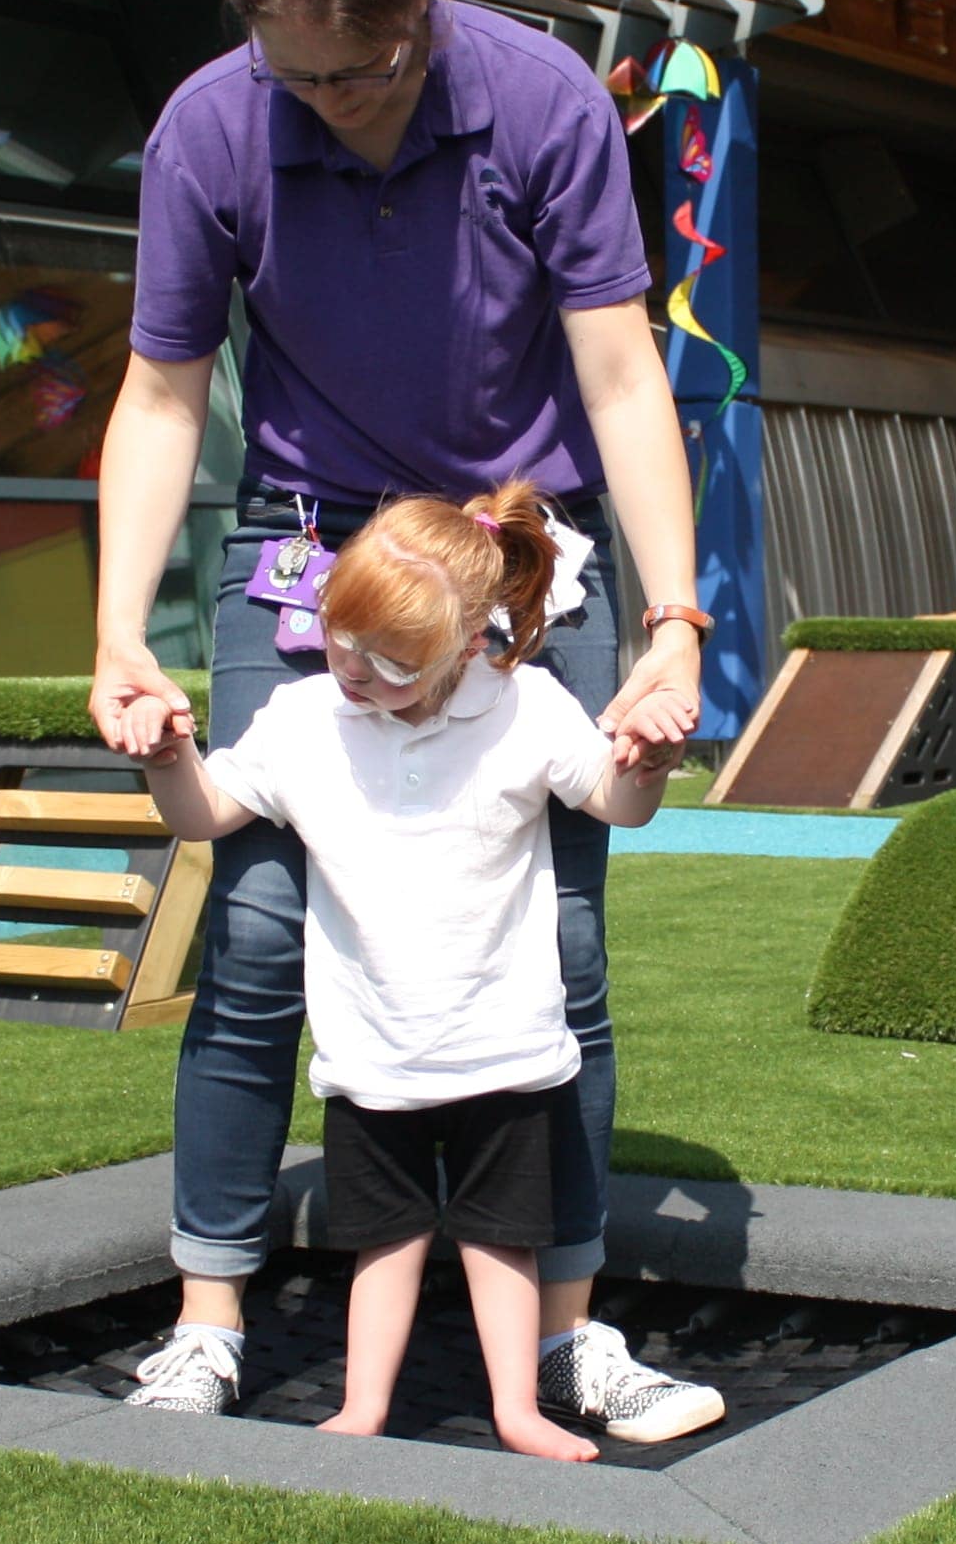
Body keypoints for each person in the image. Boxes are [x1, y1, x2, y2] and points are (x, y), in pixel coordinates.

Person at [89, 0, 722, 1443]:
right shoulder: (213, 128)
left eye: (361, 71)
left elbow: (625, 377)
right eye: (295, 74)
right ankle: (209, 1319)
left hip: (517, 539)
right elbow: (162, 397)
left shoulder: (548, 104)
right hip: (308, 541)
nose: (333, 104)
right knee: (248, 940)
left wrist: (674, 622)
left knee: (558, 945)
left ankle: (569, 1332)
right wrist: (116, 631)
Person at [140, 485, 670, 1460]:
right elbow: (206, 811)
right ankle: (363, 1407)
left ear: (470, 642)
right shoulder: (305, 720)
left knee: (502, 1242)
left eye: (391, 662)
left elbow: (614, 800)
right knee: (380, 1242)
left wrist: (648, 761)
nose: (356, 672)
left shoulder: (525, 708)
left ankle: (519, 1408)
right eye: (344, 641)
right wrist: (169, 756)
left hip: (506, 1049)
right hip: (370, 1055)